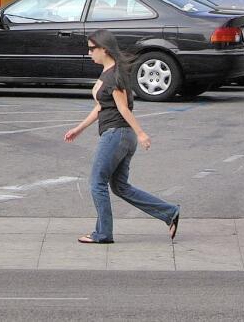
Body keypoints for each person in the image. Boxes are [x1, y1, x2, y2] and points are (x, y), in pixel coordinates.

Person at [64, 29, 180, 244]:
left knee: (97, 183)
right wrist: (79, 129)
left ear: (104, 50)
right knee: (120, 187)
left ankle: (103, 233)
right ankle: (169, 212)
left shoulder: (113, 77)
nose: (89, 53)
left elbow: (124, 109)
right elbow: (101, 107)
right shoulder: (111, 72)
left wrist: (142, 133)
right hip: (123, 137)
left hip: (115, 135)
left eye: (92, 49)